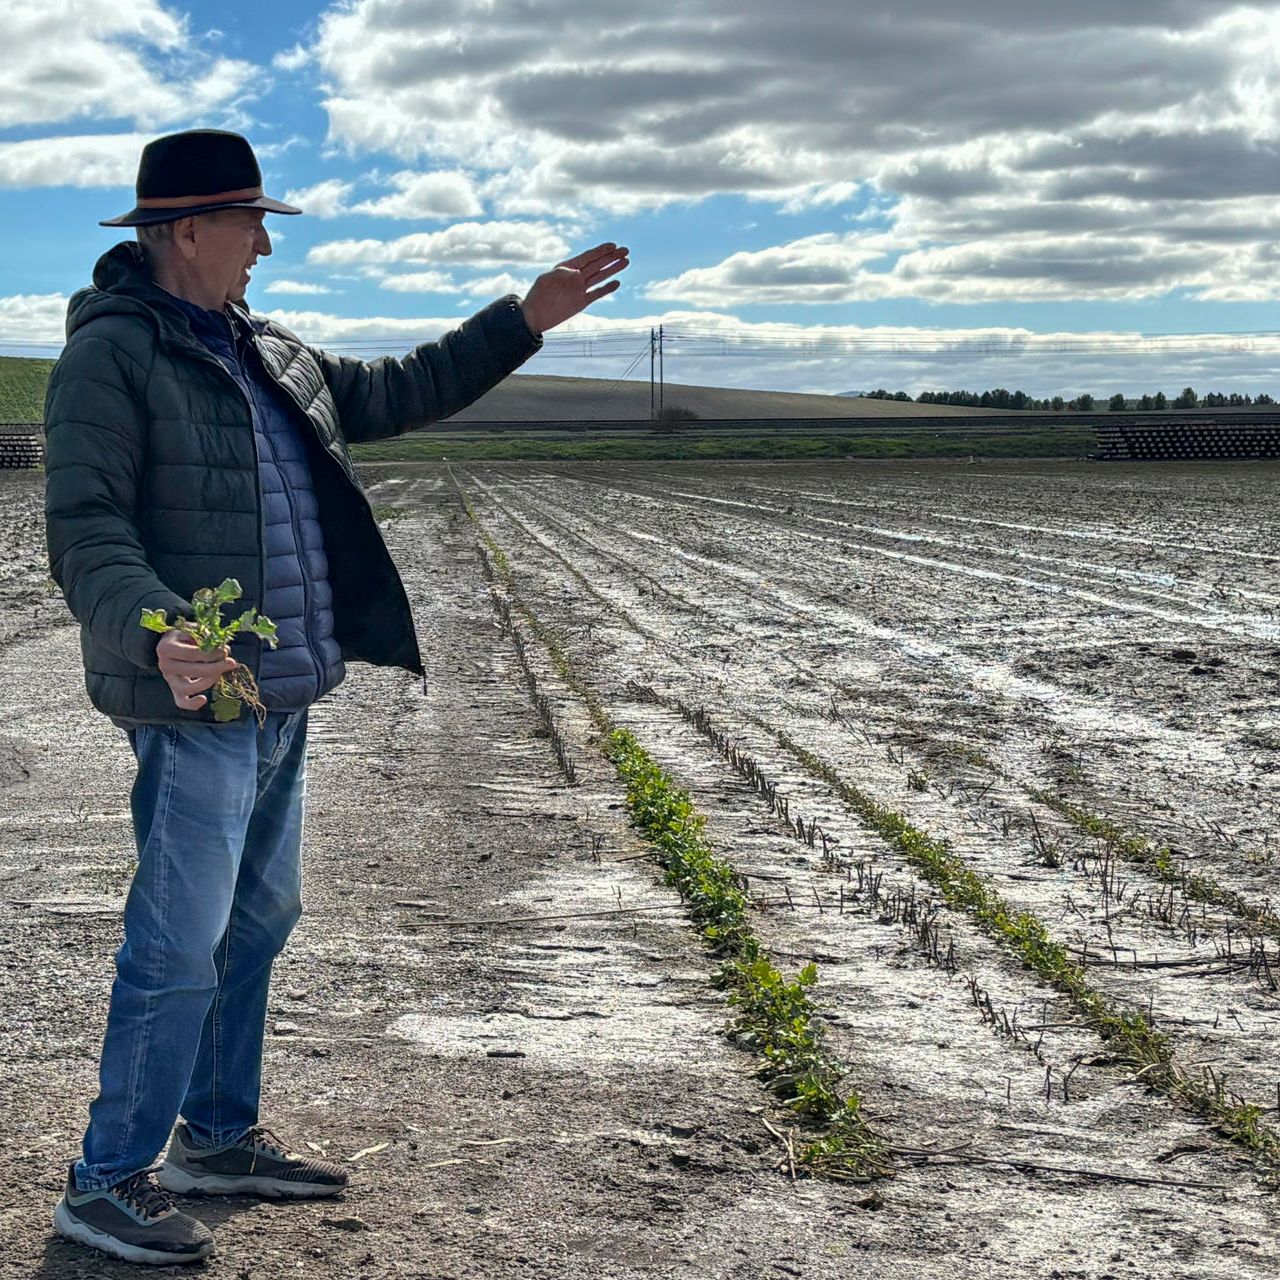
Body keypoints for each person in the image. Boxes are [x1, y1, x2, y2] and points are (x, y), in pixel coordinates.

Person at [43, 128, 628, 1266]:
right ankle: (108, 1177)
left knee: (257, 922)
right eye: (252, 222)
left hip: (283, 693)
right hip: (196, 703)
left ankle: (213, 1137)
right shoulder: (111, 357)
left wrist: (524, 318)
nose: (265, 244)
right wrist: (160, 627)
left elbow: (400, 389)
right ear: (190, 230)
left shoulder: (269, 349)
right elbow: (85, 530)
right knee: (177, 942)